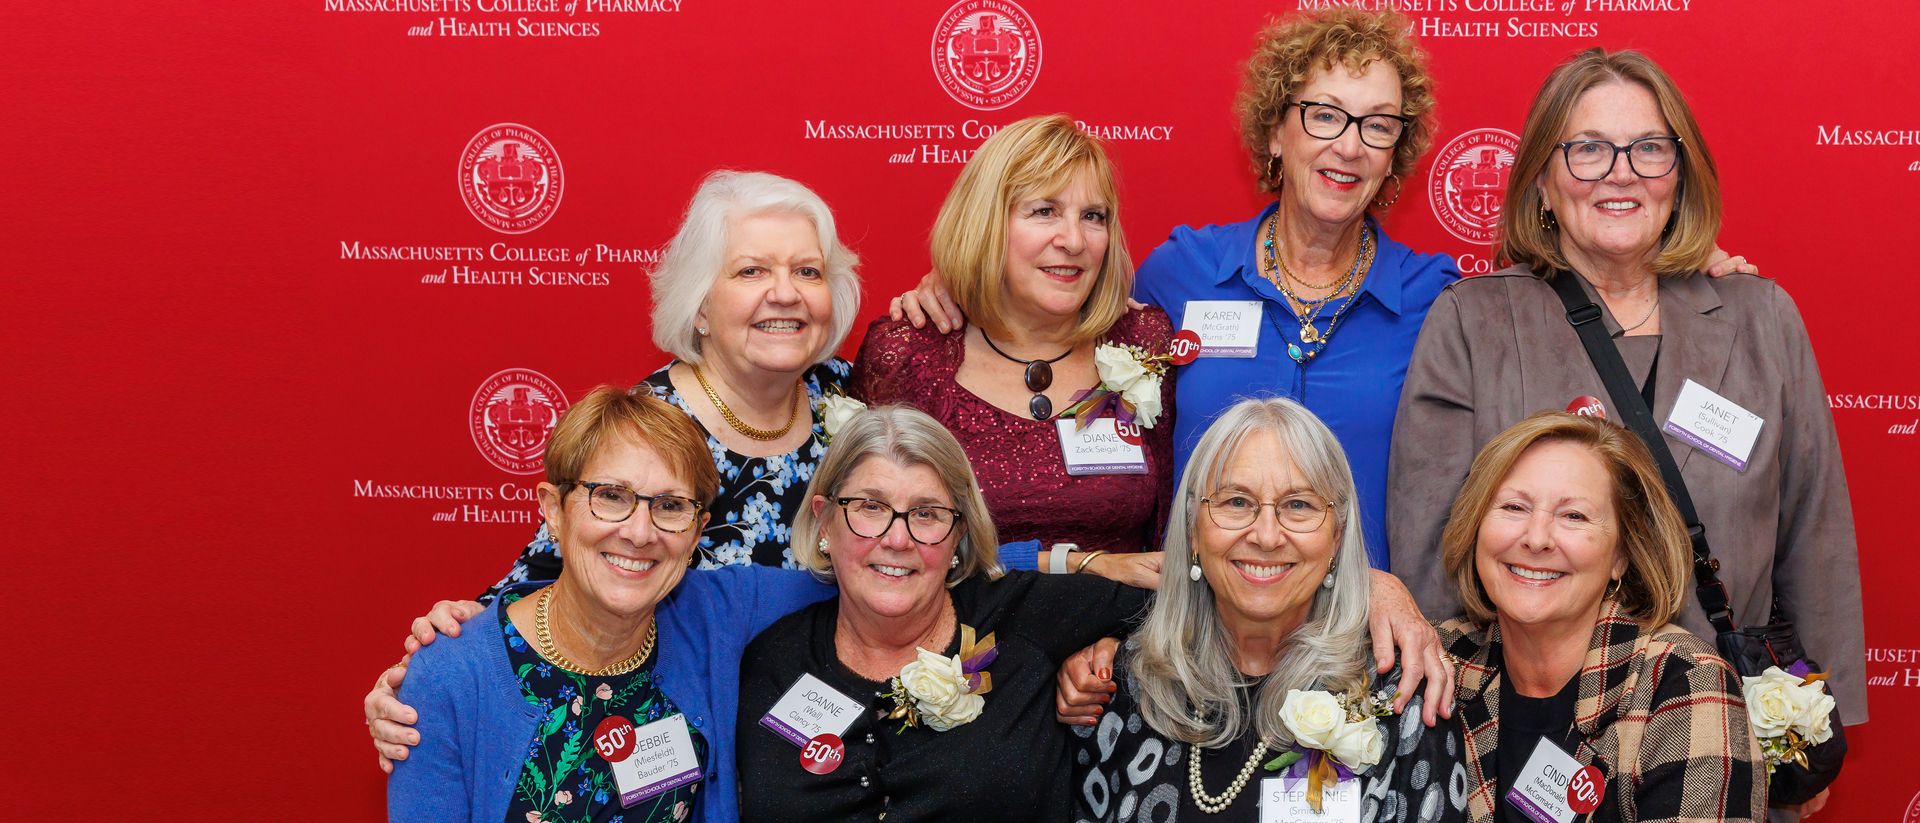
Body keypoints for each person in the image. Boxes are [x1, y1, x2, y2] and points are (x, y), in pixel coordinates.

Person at [890, 11, 1756, 572]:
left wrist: (1678, 271)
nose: (1348, 145)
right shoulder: (1177, 274)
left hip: (1370, 648)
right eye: (1325, 115)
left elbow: (1576, 319)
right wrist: (959, 287)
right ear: (1275, 130)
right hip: (1194, 641)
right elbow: (1055, 307)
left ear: (1395, 155)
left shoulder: (1444, 300)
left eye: (1378, 125)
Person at [1386, 48, 1865, 802]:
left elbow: (1815, 532)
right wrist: (1448, 728)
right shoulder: (1472, 323)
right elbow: (1429, 551)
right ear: (1542, 178)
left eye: (1649, 147)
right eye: (1587, 149)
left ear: (1681, 173)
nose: (1621, 171)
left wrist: (1818, 720)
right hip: (1522, 734)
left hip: (1721, 732)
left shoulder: (1759, 316)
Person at [387, 387, 837, 823]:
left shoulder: (713, 615)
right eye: (611, 496)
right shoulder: (452, 675)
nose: (640, 533)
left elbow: (863, 585)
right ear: (554, 510)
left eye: (669, 505)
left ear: (697, 530)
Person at [734, 405, 1151, 821]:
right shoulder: (774, 660)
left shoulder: (1020, 617)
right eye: (870, 507)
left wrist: (1118, 646)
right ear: (824, 520)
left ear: (958, 534)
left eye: (926, 514)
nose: (897, 539)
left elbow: (1193, 604)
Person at [1070, 398, 1466, 822]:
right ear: (1193, 531)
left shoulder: (1398, 696)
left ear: (1337, 538)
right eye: (1236, 502)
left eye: (1299, 505)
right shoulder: (1127, 686)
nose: (1266, 535)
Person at [497, 169, 865, 587]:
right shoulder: (642, 426)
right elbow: (539, 582)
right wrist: (464, 625)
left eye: (807, 272)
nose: (785, 294)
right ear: (700, 306)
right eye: (752, 271)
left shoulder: (851, 389)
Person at [851, 114, 1174, 573]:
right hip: (957, 637)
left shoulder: (1143, 342)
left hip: (1125, 637)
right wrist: (1076, 565)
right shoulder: (909, 355)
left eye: (1093, 216)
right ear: (985, 224)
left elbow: (1167, 528)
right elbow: (875, 545)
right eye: (1044, 212)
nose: (1074, 240)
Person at [1434, 411, 1766, 822]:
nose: (1536, 539)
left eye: (1573, 516)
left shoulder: (1683, 681)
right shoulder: (1438, 658)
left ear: (1622, 555)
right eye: (1514, 507)